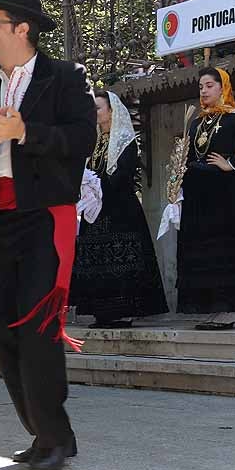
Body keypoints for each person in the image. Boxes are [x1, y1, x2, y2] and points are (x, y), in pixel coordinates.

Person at [0, 0, 96, 470]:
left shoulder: (65, 78)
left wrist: (24, 133)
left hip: (45, 216)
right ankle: (43, 433)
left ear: (23, 29)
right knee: (3, 331)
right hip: (0, 222)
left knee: (38, 328)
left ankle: (53, 436)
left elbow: (81, 139)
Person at [71, 91, 168, 328]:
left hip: (119, 208)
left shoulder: (125, 140)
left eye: (98, 108)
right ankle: (103, 312)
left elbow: (124, 175)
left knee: (123, 258)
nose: (94, 113)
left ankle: (125, 311)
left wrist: (99, 186)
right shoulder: (93, 142)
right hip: (95, 211)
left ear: (112, 111)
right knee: (97, 260)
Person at [171, 68, 235, 330]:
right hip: (199, 197)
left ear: (222, 88)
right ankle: (211, 309)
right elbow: (188, 157)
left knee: (224, 251)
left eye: (209, 85)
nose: (204, 91)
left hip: (225, 196)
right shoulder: (196, 122)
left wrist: (230, 164)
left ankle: (229, 309)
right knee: (202, 252)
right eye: (201, 86)